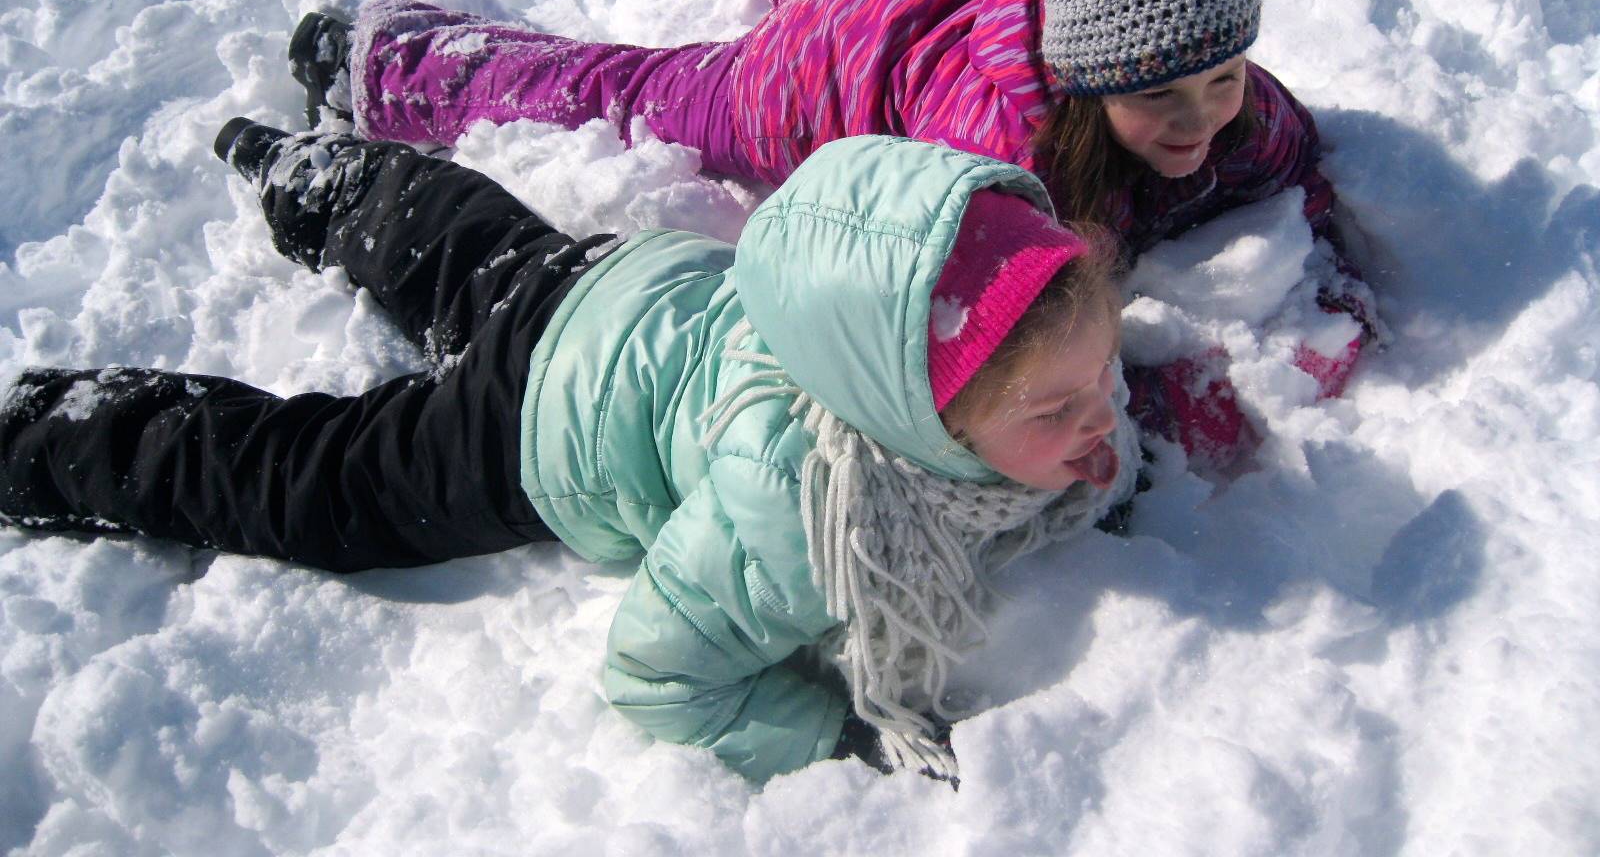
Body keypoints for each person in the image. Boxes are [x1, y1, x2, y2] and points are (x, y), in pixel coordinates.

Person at [0, 123, 1141, 784]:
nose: (1099, 418)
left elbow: (1067, 389)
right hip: (534, 428)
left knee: (462, 245)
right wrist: (829, 735)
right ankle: (47, 435)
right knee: (314, 483)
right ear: (913, 422)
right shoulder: (799, 518)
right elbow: (656, 676)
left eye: (1102, 375)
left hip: (622, 285)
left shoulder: (1021, 364)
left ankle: (318, 173)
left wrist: (1068, 440)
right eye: (1056, 412)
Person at [287, 0, 1378, 462]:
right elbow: (987, 370)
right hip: (817, 81)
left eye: (1222, 78)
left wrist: (1328, 279)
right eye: (1158, 98)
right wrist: (1168, 403)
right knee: (626, 92)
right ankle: (388, 60)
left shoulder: (1223, 97)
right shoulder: (1003, 166)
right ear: (1087, 80)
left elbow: (1296, 167)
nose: (1201, 121)